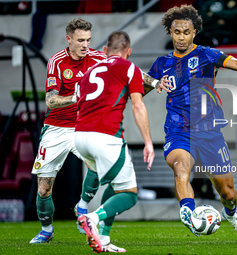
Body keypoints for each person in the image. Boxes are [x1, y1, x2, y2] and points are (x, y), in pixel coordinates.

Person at [147, 5, 237, 238]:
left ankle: (230, 213)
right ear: (170, 32)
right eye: (177, 32)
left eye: (186, 32)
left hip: (209, 132)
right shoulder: (161, 63)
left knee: (228, 192)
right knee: (181, 168)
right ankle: (188, 212)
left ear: (194, 32)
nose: (182, 37)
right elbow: (139, 88)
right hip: (178, 131)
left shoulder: (206, 54)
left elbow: (236, 62)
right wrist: (150, 84)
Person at [75, 31, 155, 253]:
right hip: (106, 136)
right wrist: (148, 142)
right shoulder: (129, 67)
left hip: (80, 135)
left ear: (104, 52)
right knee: (129, 194)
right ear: (128, 52)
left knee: (116, 185)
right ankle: (91, 217)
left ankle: (104, 238)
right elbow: (138, 105)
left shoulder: (89, 71)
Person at [29, 18, 107, 244]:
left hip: (83, 126)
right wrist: (75, 96)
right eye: (80, 40)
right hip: (55, 128)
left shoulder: (98, 59)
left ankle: (81, 207)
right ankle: (46, 230)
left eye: (88, 40)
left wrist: (154, 81)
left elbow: (126, 70)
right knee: (44, 188)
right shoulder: (56, 61)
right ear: (69, 39)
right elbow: (51, 100)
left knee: (100, 164)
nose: (85, 45)